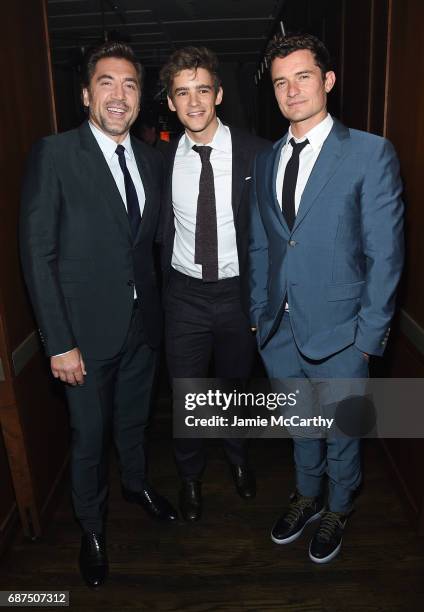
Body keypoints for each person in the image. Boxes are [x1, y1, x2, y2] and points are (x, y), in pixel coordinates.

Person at [20, 41, 177, 588]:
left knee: (134, 423)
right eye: (107, 83)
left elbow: (151, 246)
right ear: (86, 94)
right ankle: (91, 527)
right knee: (89, 437)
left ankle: (136, 484)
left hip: (142, 329)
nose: (119, 95)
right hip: (83, 338)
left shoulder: (153, 158)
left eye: (130, 84)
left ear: (140, 98)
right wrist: (58, 342)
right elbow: (37, 254)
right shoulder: (56, 154)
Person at [249, 34, 404, 563]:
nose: (292, 91)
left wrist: (367, 339)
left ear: (328, 80)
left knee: (341, 432)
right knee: (301, 426)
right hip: (278, 331)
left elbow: (386, 255)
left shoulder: (369, 152)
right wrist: (256, 316)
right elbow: (261, 244)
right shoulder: (266, 160)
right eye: (280, 82)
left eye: (303, 76)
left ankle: (339, 505)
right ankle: (307, 495)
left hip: (343, 333)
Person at [159, 47, 270, 521]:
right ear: (170, 103)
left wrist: (261, 301)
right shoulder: (158, 161)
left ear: (219, 94)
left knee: (234, 389)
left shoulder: (257, 152)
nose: (194, 102)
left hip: (236, 294)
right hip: (183, 296)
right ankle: (190, 478)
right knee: (187, 395)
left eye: (202, 89)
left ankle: (239, 460)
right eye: (182, 93)